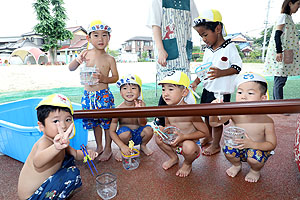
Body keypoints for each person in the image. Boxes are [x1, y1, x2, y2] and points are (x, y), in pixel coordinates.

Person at [18, 94, 98, 200]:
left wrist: (87, 153)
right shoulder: (45, 142)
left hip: (43, 186)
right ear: (41, 126)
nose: (63, 126)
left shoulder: (61, 142)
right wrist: (56, 148)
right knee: (71, 174)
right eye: (56, 121)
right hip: (32, 197)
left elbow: (76, 154)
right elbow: (37, 163)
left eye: (68, 120)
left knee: (69, 158)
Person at [190, 9, 242, 156]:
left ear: (218, 29)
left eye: (205, 35)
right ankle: (207, 136)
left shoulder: (230, 47)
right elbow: (204, 71)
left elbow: (237, 67)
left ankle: (216, 145)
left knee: (216, 121)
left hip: (221, 92)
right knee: (206, 115)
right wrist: (196, 82)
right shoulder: (208, 50)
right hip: (208, 90)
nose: (203, 39)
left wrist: (221, 73)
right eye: (201, 36)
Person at [209, 72, 277, 183]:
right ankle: (236, 165)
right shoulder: (234, 113)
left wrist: (252, 144)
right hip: (238, 146)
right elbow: (214, 123)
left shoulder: (266, 120)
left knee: (254, 160)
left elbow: (272, 144)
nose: (243, 96)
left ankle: (255, 170)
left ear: (263, 98)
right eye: (239, 92)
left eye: (250, 93)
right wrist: (213, 111)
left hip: (257, 148)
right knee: (227, 149)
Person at [69, 20, 119, 161]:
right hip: (88, 96)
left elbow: (115, 77)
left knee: (106, 123)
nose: (100, 39)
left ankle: (108, 147)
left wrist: (104, 78)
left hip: (103, 95)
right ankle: (99, 146)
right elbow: (71, 68)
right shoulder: (85, 54)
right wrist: (78, 60)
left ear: (109, 38)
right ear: (88, 38)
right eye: (96, 35)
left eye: (104, 35)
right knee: (95, 122)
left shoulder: (110, 59)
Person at [146, 0, 199, 126]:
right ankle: (162, 123)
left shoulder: (189, 2)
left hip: (184, 53)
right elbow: (155, 26)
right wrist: (160, 50)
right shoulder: (159, 1)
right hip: (167, 53)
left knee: (182, 89)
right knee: (168, 89)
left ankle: (187, 127)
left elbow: (197, 24)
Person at [155, 71, 209, 177]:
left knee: (188, 146)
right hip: (174, 144)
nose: (165, 93)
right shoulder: (168, 110)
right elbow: (168, 126)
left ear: (184, 92)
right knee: (158, 138)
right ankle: (173, 157)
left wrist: (184, 137)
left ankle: (187, 163)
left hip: (190, 146)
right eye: (163, 89)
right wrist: (164, 131)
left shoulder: (190, 112)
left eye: (170, 89)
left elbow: (205, 133)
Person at [109, 74, 154, 161]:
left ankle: (143, 145)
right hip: (125, 137)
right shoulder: (118, 110)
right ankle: (122, 149)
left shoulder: (142, 104)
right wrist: (122, 146)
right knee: (125, 133)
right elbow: (112, 131)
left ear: (139, 92)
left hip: (138, 134)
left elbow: (143, 123)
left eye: (133, 88)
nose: (129, 91)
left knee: (149, 130)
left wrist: (139, 112)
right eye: (125, 88)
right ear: (121, 92)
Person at [264, 0, 300, 100]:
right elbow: (277, 35)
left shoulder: (288, 18)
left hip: (286, 53)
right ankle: (278, 105)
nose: (298, 7)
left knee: (281, 80)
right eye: (298, 4)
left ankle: (278, 104)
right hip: (282, 53)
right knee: (279, 81)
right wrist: (279, 52)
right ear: (290, 3)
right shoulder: (283, 17)